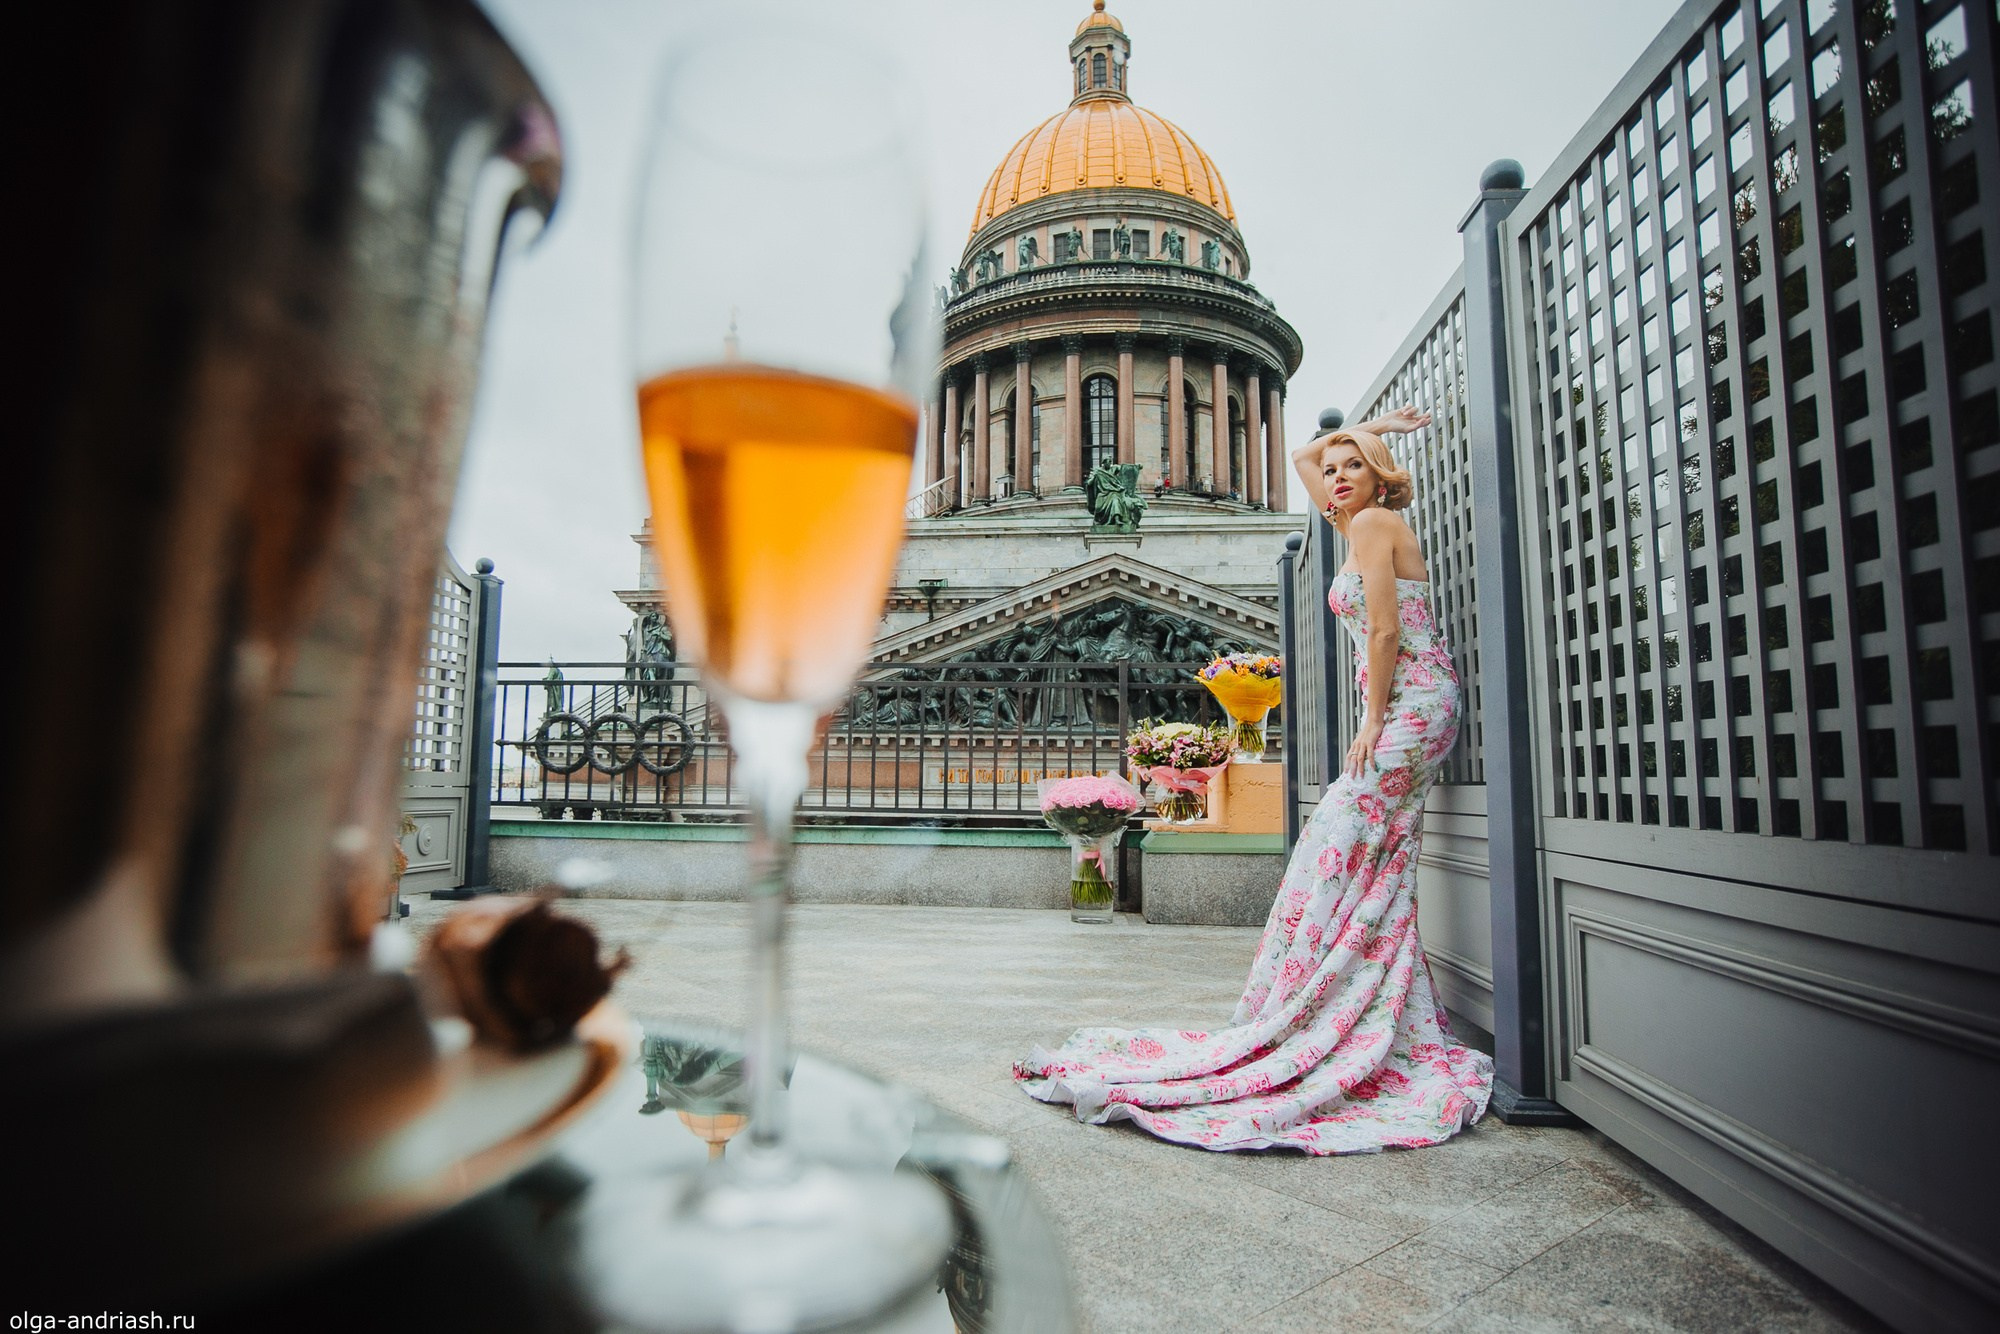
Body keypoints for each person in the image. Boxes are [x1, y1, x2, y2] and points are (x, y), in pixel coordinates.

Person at [1014, 406, 1494, 1153]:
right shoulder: (1354, 523)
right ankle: (1347, 1000)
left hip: (1409, 705)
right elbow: (1303, 458)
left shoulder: (1370, 527)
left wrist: (1370, 719)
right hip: (1407, 705)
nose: (1333, 478)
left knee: (1344, 837)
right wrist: (1372, 430)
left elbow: (1384, 630)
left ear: (1376, 478)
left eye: (1352, 467)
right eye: (1334, 471)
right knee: (1376, 855)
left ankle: (1329, 1000)